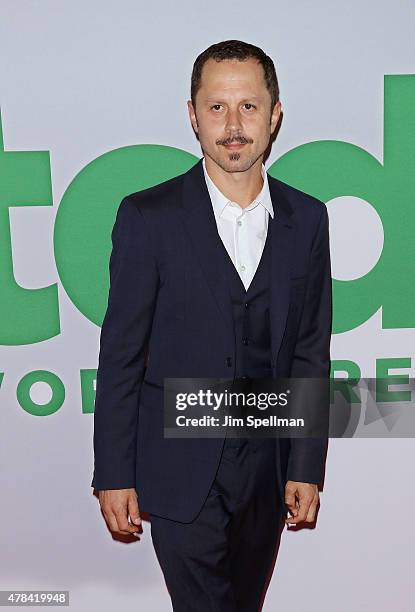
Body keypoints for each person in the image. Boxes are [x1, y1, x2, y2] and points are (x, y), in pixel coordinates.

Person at [91, 39, 332, 611]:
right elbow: (121, 355)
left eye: (248, 107)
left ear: (275, 116)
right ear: (193, 115)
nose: (232, 125)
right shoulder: (147, 217)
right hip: (179, 468)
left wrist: (305, 465)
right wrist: (113, 473)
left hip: (267, 471)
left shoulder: (307, 219)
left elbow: (309, 351)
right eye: (217, 107)